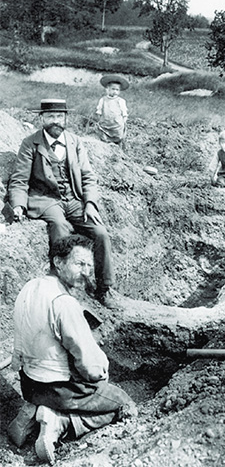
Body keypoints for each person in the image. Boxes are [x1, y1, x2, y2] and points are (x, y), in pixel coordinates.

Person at [8, 235, 137, 464]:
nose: (86, 272)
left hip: (29, 384)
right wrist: (101, 378)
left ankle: (36, 408)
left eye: (89, 265)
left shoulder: (29, 287)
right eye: (79, 264)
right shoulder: (64, 302)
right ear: (58, 262)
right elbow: (91, 367)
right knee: (123, 404)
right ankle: (60, 421)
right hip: (59, 389)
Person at [4, 99, 115, 306]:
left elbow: (88, 176)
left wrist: (90, 203)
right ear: (42, 119)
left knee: (101, 233)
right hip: (46, 199)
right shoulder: (31, 143)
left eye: (59, 117)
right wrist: (18, 205)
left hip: (73, 199)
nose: (55, 121)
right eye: (50, 117)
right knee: (59, 226)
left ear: (65, 118)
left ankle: (104, 287)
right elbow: (19, 179)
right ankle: (64, 289)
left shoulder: (75, 142)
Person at [95, 74, 129, 145]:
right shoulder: (103, 100)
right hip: (105, 124)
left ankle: (118, 144)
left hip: (116, 124)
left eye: (117, 90)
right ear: (108, 89)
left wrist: (124, 121)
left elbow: (124, 112)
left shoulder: (120, 101)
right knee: (102, 133)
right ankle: (106, 143)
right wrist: (99, 119)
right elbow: (99, 111)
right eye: (113, 89)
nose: (115, 92)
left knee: (119, 135)